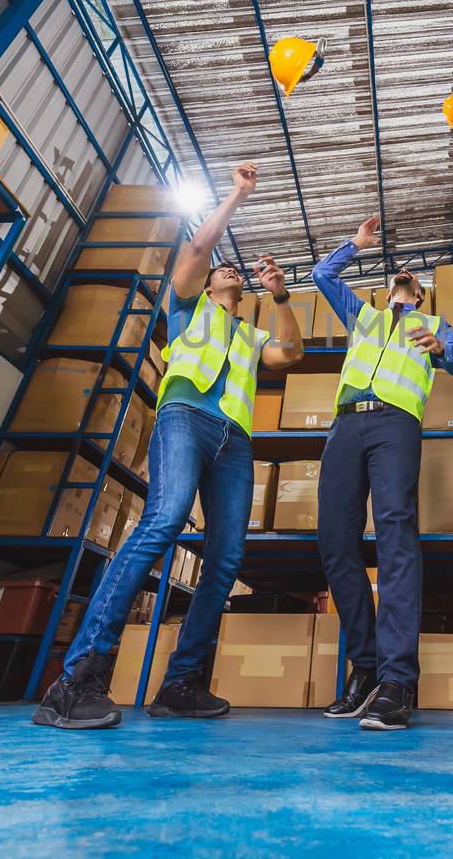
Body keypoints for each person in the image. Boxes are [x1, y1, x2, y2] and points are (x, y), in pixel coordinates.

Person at [33, 163, 305, 729]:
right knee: (164, 519)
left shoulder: (251, 335)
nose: (227, 269)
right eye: (219, 269)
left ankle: (181, 683)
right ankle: (77, 678)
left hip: (235, 441)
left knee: (227, 557)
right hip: (184, 418)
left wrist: (280, 297)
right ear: (206, 283)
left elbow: (292, 354)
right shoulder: (186, 308)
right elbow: (201, 243)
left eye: (236, 271)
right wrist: (236, 195)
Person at [313, 215, 453, 731]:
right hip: (345, 429)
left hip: (395, 428)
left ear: (421, 296)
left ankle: (397, 680)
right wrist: (355, 244)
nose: (404, 279)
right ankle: (366, 668)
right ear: (387, 290)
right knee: (335, 543)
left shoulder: (430, 327)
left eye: (412, 280)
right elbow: (321, 276)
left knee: (395, 537)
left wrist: (444, 347)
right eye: (397, 276)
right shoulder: (362, 317)